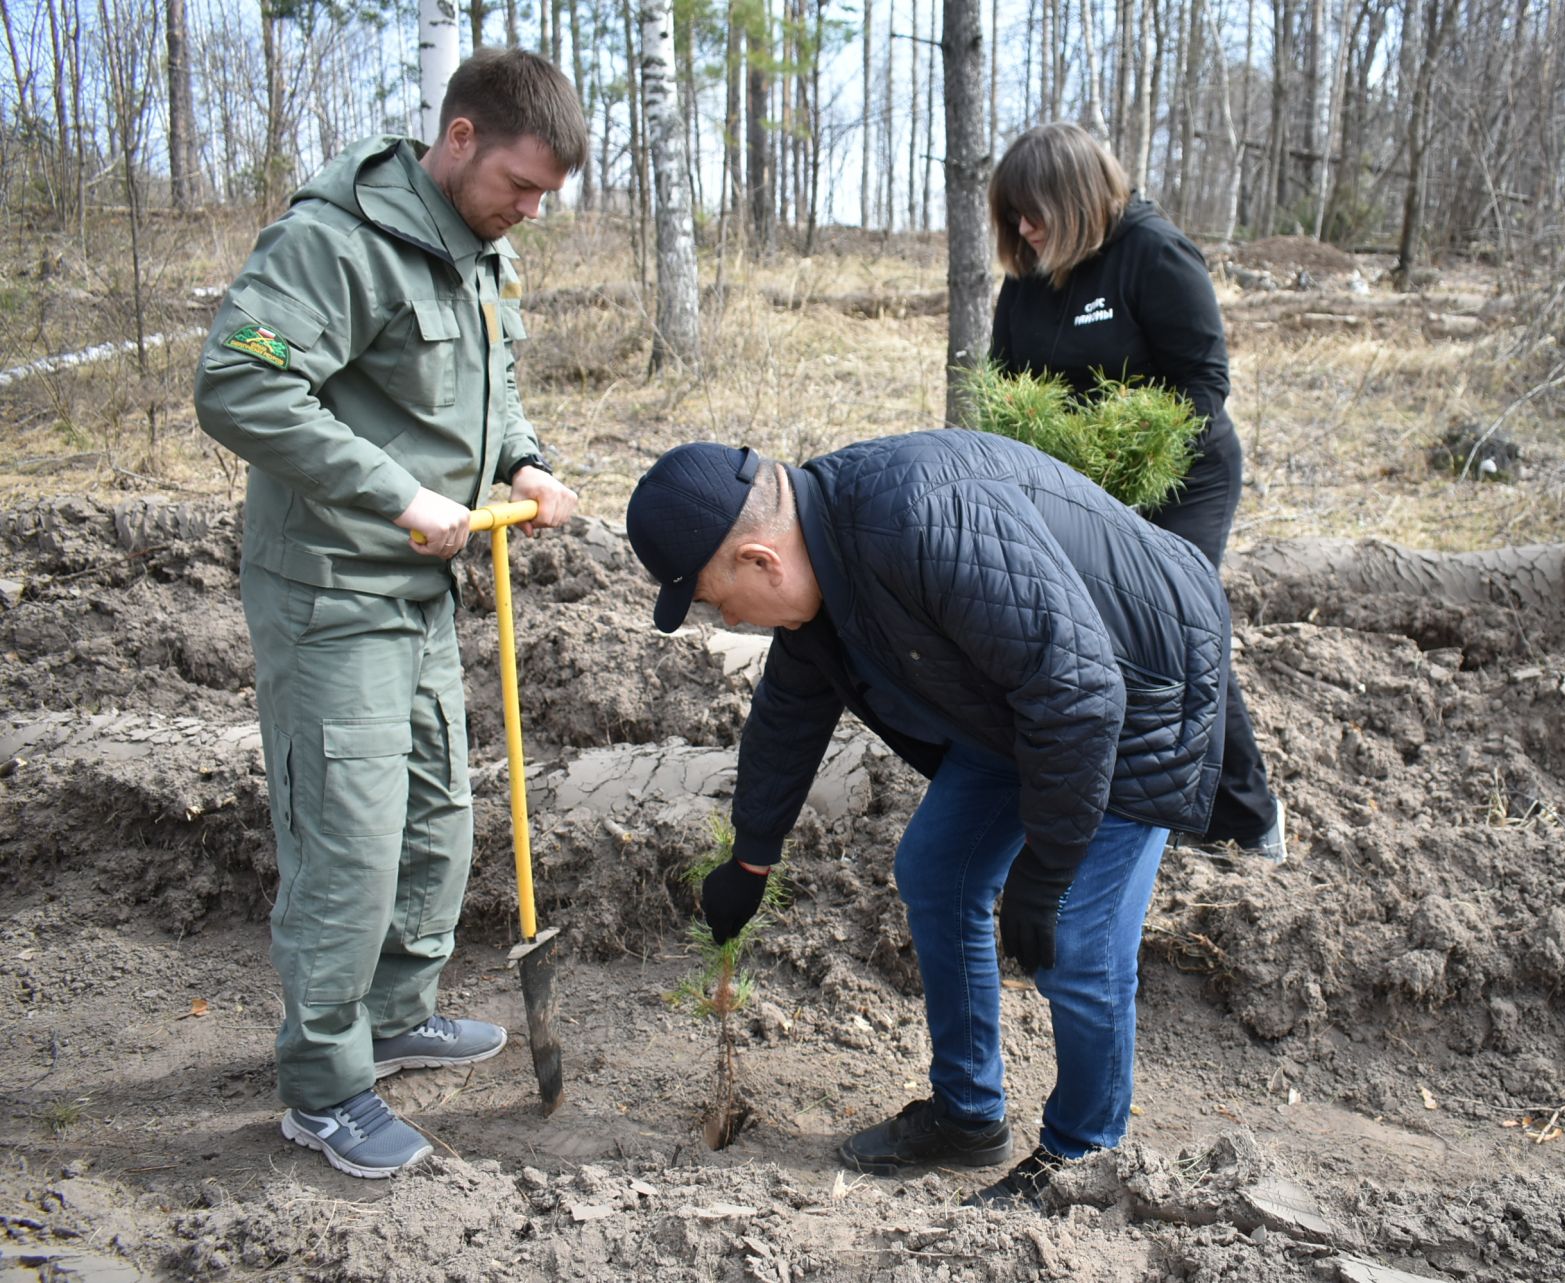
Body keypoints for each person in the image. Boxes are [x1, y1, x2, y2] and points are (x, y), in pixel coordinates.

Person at [624, 429, 1232, 1207]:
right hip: (1029, 700)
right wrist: (751, 856)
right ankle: (968, 1115)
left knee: (1079, 937)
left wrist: (1047, 869)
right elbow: (789, 712)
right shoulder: (827, 560)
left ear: (760, 561)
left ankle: (1086, 1158)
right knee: (937, 868)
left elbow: (1079, 692)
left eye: (714, 600)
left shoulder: (913, 521)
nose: (726, 616)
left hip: (1143, 686)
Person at [194, 48, 587, 1179]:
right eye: (519, 185)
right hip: (331, 585)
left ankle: (396, 1012)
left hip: (422, 582)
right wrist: (397, 491)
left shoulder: (475, 250)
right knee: (350, 841)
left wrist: (524, 459)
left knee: (434, 816)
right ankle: (323, 1086)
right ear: (458, 136)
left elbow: (489, 382)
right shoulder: (336, 238)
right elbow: (239, 382)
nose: (526, 213)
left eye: (542, 200)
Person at [987, 122, 1284, 861]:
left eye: (1036, 212)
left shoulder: (1153, 253)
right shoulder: (1026, 273)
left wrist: (1127, 453)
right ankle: (1131, 792)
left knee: (1178, 631)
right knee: (1091, 637)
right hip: (1080, 488)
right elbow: (1005, 387)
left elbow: (1204, 385)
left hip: (1181, 474)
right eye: (1013, 215)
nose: (1024, 230)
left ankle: (1247, 814)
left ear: (1079, 198)